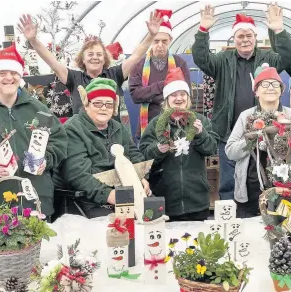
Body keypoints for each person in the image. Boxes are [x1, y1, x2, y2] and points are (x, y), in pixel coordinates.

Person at [192, 4, 291, 201]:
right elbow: (201, 58)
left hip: (267, 131)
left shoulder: (268, 58)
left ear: (255, 38)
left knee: (265, 176)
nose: (245, 39)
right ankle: (232, 217)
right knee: (229, 181)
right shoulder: (223, 60)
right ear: (234, 39)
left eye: (249, 35)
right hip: (230, 133)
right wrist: (203, 30)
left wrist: (279, 30)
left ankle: (264, 214)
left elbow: (287, 57)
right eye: (240, 36)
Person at [0, 45, 67, 217]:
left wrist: (46, 159)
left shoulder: (37, 108)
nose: (9, 78)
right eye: (1, 73)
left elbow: (58, 141)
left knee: (39, 244)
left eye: (13, 72)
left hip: (36, 203)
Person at [17, 11, 163, 127]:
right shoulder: (74, 78)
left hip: (112, 134)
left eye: (99, 54)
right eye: (90, 54)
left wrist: (151, 35)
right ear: (83, 59)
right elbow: (52, 61)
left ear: (105, 58)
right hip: (82, 137)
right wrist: (33, 40)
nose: (95, 57)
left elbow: (136, 55)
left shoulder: (115, 74)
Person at [225, 64, 291, 218]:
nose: (270, 88)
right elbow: (230, 152)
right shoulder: (246, 117)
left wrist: (287, 146)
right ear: (256, 91)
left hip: (287, 189)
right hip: (251, 191)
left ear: (281, 90)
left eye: (275, 84)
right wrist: (254, 138)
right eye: (264, 84)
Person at [61, 78, 150, 218]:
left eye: (109, 104)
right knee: (120, 230)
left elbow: (134, 155)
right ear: (86, 104)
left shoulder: (118, 128)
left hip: (125, 193)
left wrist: (141, 178)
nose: (103, 108)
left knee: (152, 217)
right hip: (89, 199)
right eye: (97, 103)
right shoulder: (73, 129)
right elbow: (77, 174)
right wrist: (109, 194)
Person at [139, 68, 219, 221]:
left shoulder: (200, 121)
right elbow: (143, 156)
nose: (178, 98)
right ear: (166, 99)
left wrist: (200, 134)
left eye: (182, 94)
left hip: (197, 201)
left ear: (188, 98)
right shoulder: (156, 124)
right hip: (167, 201)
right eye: (173, 95)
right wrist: (158, 149)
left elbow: (212, 149)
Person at [129, 9, 191, 142]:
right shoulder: (139, 64)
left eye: (164, 41)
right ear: (151, 40)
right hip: (148, 128)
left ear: (170, 40)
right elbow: (135, 95)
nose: (160, 45)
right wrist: (163, 85)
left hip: (176, 127)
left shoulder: (180, 63)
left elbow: (185, 94)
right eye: (156, 41)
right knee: (149, 161)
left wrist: (149, 94)